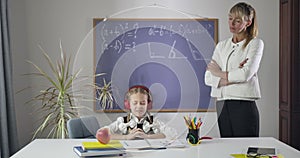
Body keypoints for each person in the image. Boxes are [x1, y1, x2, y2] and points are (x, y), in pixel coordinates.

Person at [204, 2, 264, 137]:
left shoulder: (255, 44)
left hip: (243, 104)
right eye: (230, 18)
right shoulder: (222, 46)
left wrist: (218, 73)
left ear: (248, 22)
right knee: (227, 148)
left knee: (246, 150)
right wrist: (233, 75)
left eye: (237, 21)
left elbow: (245, 75)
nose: (232, 24)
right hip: (222, 104)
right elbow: (208, 77)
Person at [101, 85, 167, 140]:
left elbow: (171, 135)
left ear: (148, 105)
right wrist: (126, 137)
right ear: (128, 105)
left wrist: (148, 137)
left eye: (143, 103)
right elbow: (102, 133)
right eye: (135, 103)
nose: (139, 106)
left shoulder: (154, 121)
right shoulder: (122, 121)